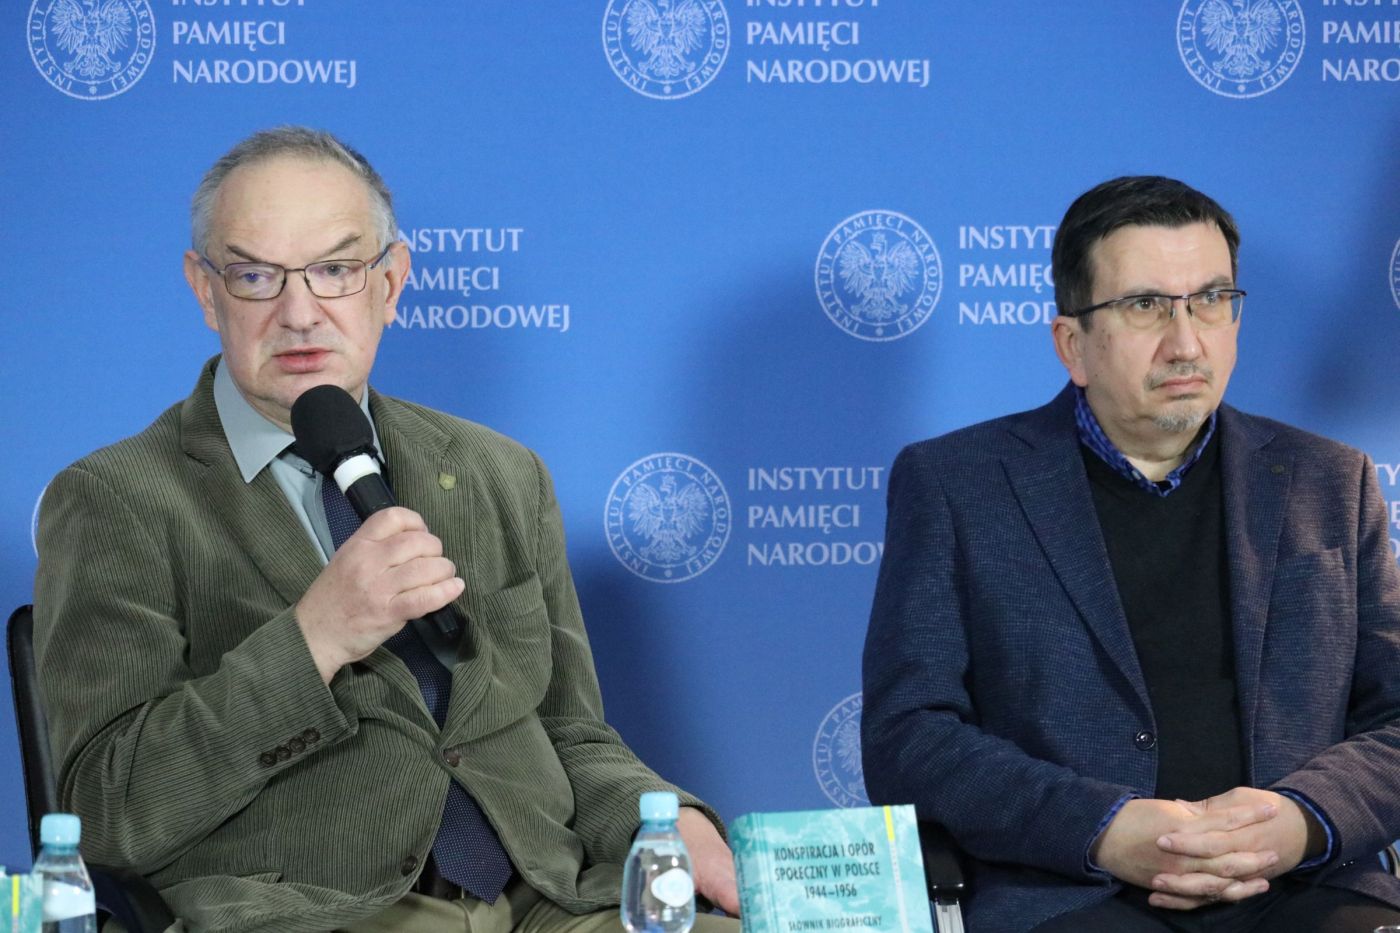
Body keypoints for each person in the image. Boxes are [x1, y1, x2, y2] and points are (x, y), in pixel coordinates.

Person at [32, 126, 739, 933]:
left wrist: (674, 824)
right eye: (256, 276)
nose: (300, 314)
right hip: (311, 916)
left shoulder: (500, 473)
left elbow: (567, 733)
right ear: (205, 290)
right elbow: (105, 808)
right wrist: (316, 637)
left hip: (547, 902)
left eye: (335, 270)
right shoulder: (116, 499)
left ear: (391, 281)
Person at [861, 176, 1400, 932]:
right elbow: (909, 736)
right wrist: (1103, 828)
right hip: (1074, 892)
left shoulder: (1330, 480)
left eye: (1211, 299)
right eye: (1146, 305)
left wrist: (1300, 819)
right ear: (1072, 344)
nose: (1187, 342)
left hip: (1299, 888)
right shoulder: (957, 485)